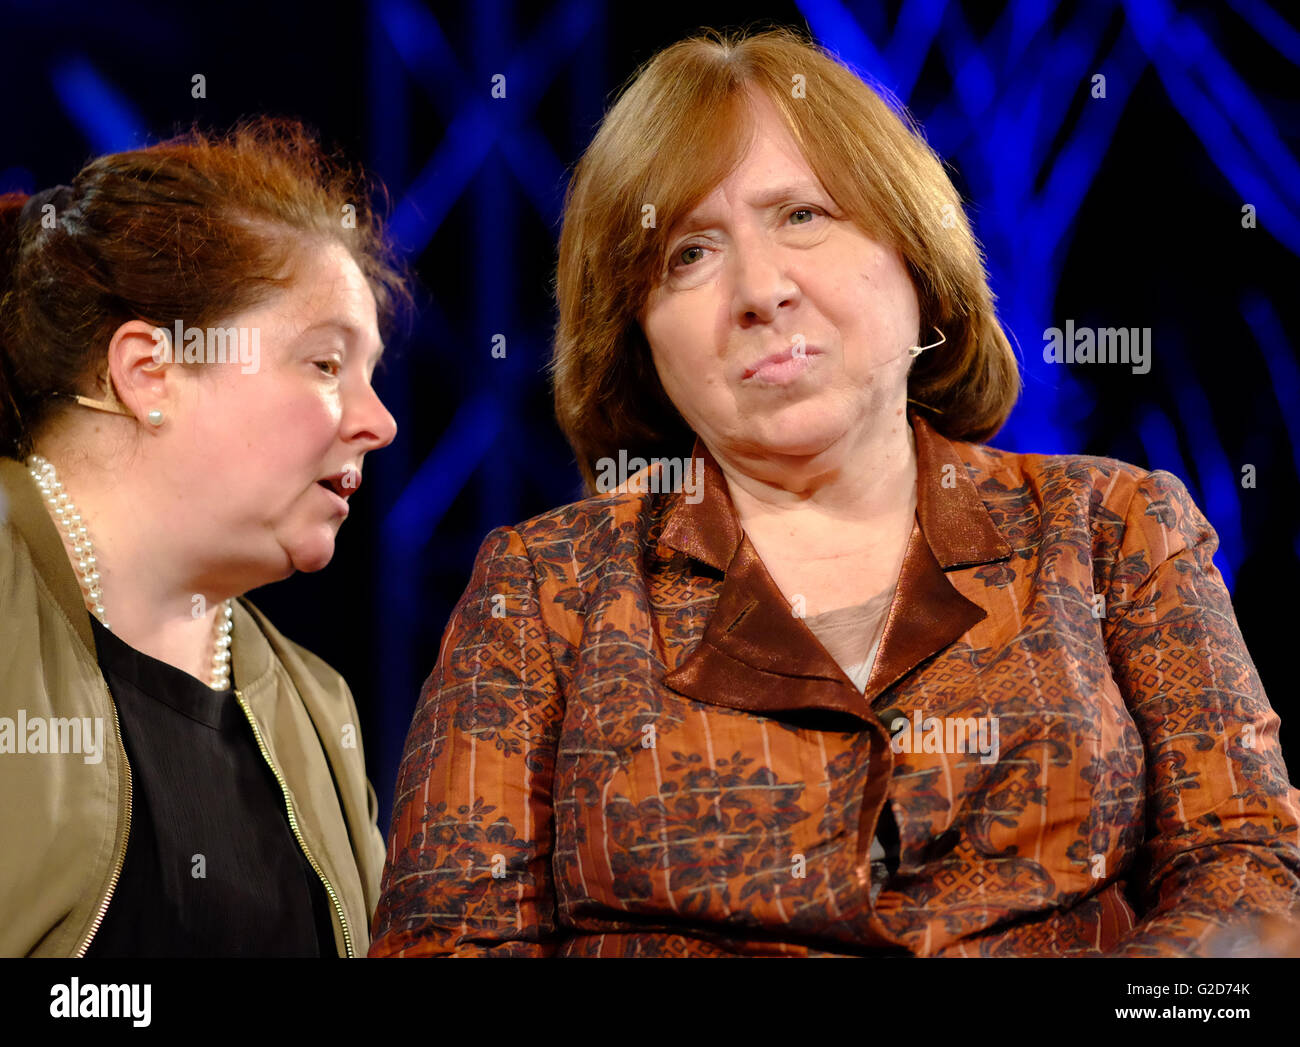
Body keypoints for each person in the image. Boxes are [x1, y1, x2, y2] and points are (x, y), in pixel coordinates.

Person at [369, 28, 1300, 957]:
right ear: (640, 339)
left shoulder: (1111, 529)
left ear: (915, 254)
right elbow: (449, 939)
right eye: (688, 253)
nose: (760, 288)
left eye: (803, 215)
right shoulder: (543, 591)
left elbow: (1249, 874)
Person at [0, 118, 405, 957]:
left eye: (370, 375)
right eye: (326, 365)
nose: (379, 422)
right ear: (149, 371)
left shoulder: (318, 705)